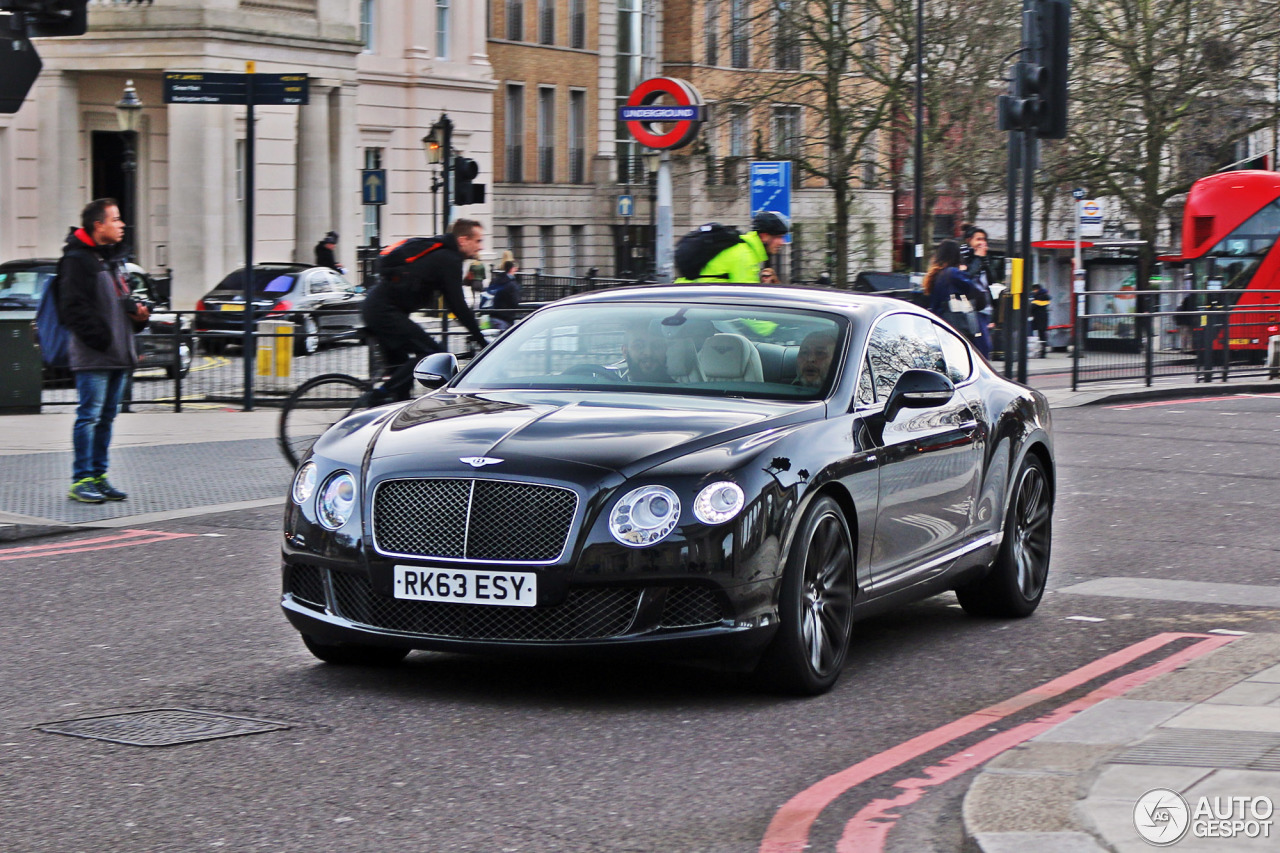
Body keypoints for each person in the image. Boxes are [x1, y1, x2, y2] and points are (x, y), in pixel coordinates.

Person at [58, 198, 150, 503]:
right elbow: (71, 309)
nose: (122, 225)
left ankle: (99, 476)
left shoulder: (112, 260)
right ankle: (81, 479)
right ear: (99, 225)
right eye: (116, 219)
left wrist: (137, 317)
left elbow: (116, 305)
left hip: (117, 355)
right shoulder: (77, 261)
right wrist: (101, 339)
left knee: (107, 418)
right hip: (94, 354)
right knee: (89, 417)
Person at [361, 219, 488, 402]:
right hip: (383, 312)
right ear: (463, 240)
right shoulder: (448, 259)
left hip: (379, 309)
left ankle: (391, 412)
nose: (481, 247)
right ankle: (376, 396)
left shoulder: (443, 255)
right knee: (433, 354)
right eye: (478, 241)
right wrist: (483, 341)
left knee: (402, 378)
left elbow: (454, 304)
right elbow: (458, 306)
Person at [674, 210, 791, 283]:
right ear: (764, 236)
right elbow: (748, 307)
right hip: (693, 310)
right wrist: (775, 324)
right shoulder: (744, 256)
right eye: (779, 237)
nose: (782, 242)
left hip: (695, 306)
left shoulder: (744, 250)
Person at [923, 239, 979, 341]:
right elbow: (971, 287)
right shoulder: (952, 273)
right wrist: (972, 266)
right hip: (954, 326)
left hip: (940, 325)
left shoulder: (937, 274)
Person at [961, 227, 997, 357]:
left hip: (985, 310)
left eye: (984, 239)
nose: (982, 242)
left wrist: (984, 261)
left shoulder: (983, 259)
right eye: (978, 239)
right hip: (972, 310)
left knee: (984, 347)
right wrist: (977, 258)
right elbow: (966, 278)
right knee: (983, 347)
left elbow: (992, 280)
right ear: (969, 240)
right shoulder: (963, 257)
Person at [485, 260, 522, 331]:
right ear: (512, 269)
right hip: (505, 317)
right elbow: (515, 301)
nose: (517, 270)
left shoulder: (496, 280)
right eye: (515, 268)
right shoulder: (512, 284)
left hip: (492, 315)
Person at [1029, 284, 1051, 356]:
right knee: (1043, 334)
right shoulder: (1045, 296)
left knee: (1040, 335)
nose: (1033, 291)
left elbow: (1032, 307)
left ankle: (1042, 351)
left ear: (1037, 289)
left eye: (1034, 290)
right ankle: (1043, 351)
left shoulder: (1038, 297)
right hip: (1044, 318)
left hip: (1038, 318)